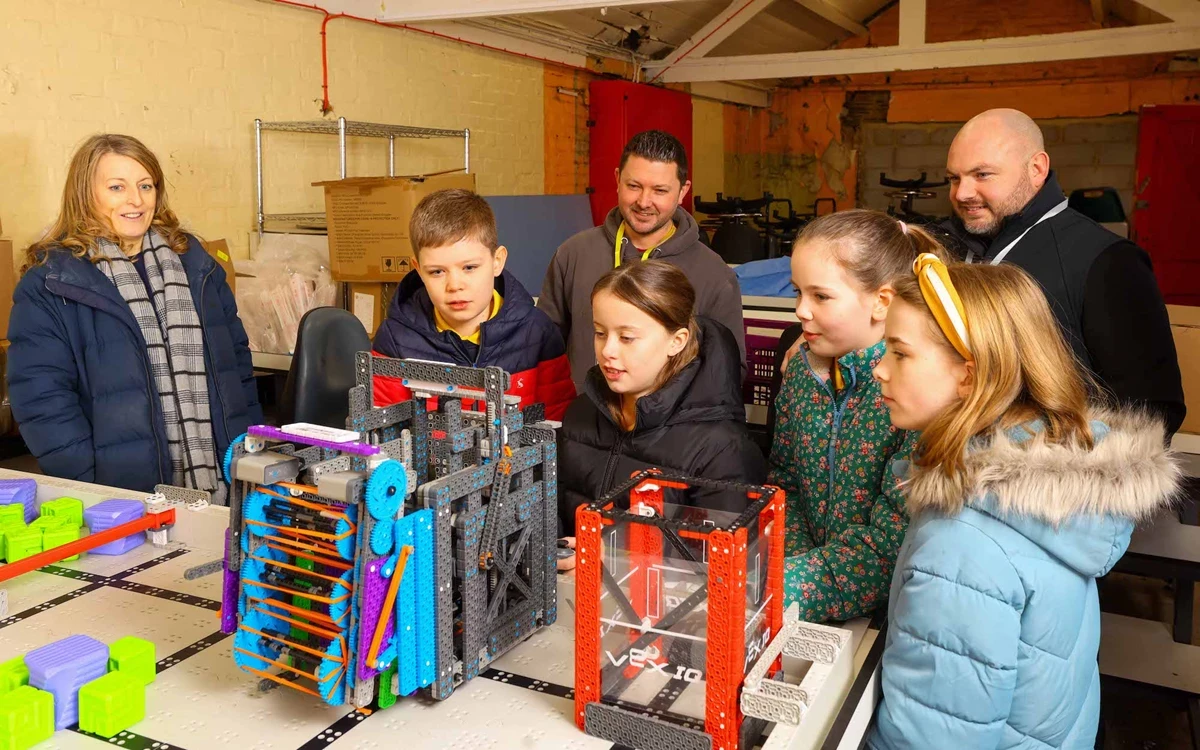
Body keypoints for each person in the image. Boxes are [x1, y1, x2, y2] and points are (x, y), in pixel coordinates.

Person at [867, 255, 1179, 750]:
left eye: (899, 353)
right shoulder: (1051, 497)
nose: (879, 370)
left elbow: (932, 739)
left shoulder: (960, 543)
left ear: (968, 376)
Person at [8, 134, 261, 503]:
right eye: (116, 187)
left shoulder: (197, 266)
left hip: (224, 487)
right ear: (85, 194)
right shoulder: (52, 281)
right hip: (120, 498)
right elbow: (41, 401)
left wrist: (248, 452)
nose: (136, 200)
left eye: (146, 185)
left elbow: (237, 369)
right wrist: (90, 485)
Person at [942, 107, 1184, 434]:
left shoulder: (1108, 260)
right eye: (954, 178)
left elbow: (1152, 412)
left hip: (1050, 475)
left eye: (982, 175)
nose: (962, 193)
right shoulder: (945, 246)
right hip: (951, 463)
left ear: (1037, 168)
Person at [771, 210, 949, 623]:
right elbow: (785, 482)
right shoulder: (800, 370)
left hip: (887, 617)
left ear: (881, 301)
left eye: (821, 296)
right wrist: (795, 563)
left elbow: (890, 547)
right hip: (801, 593)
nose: (800, 310)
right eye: (797, 292)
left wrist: (779, 587)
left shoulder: (914, 394)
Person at [557, 260, 765, 534]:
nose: (607, 350)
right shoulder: (580, 413)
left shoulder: (722, 449)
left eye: (627, 337)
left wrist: (606, 557)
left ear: (676, 341)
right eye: (600, 333)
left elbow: (715, 558)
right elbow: (555, 509)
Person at [538, 130, 746, 390]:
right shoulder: (573, 254)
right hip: (582, 423)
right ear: (617, 179)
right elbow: (543, 347)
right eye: (634, 186)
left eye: (659, 190)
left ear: (683, 191)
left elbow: (727, 372)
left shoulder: (714, 275)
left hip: (671, 429)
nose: (644, 202)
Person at [372, 189, 575, 421]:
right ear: (418, 270)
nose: (455, 285)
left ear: (497, 261)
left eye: (469, 268)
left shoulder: (539, 333)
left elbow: (557, 426)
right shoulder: (394, 341)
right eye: (437, 271)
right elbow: (385, 435)